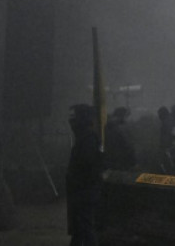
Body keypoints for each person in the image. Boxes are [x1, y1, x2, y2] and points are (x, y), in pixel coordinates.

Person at [67, 104, 103, 246]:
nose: (70, 121)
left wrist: (77, 182)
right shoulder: (87, 137)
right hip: (84, 189)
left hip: (84, 190)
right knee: (80, 226)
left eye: (73, 117)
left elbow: (86, 164)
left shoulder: (87, 139)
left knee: (85, 226)